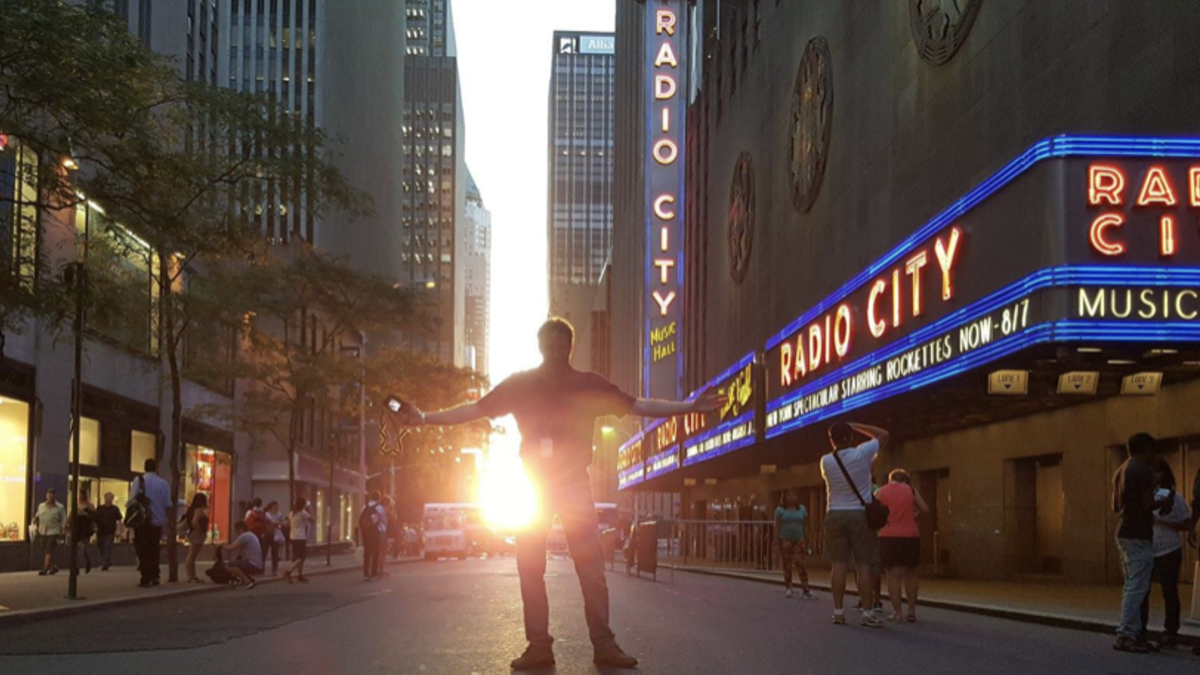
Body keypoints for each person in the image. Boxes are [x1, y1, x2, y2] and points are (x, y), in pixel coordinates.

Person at [387, 318, 722, 670]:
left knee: (590, 568)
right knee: (530, 567)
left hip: (574, 485)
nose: (555, 350)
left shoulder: (588, 385)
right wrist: (422, 417)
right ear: (540, 347)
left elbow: (638, 406)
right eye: (549, 344)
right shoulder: (520, 384)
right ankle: (539, 646)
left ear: (569, 348)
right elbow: (475, 411)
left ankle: (603, 644)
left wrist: (688, 407)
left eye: (561, 345)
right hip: (535, 486)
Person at [820, 421, 888, 628]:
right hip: (859, 515)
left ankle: (838, 611)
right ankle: (867, 613)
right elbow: (883, 434)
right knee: (863, 565)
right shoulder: (862, 453)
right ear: (851, 437)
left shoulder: (826, 460)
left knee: (838, 564)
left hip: (834, 513)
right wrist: (856, 425)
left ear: (831, 440)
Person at [1112, 433, 1170, 653]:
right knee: (1138, 587)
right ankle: (1126, 634)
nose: (1153, 456)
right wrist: (1163, 499)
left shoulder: (1120, 471)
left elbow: (1115, 506)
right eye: (1152, 451)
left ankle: (1133, 634)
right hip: (1139, 534)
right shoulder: (1142, 469)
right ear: (1146, 449)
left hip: (1123, 532)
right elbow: (1147, 505)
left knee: (1131, 585)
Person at [1139, 459, 1189, 649]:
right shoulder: (1147, 495)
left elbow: (1187, 524)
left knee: (1169, 591)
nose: (1154, 476)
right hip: (1148, 548)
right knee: (1142, 591)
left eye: (1157, 472)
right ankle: (1140, 630)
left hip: (1169, 548)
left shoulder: (1175, 498)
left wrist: (1164, 523)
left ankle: (1170, 632)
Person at [875, 469, 929, 622]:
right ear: (906, 480)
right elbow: (925, 509)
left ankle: (897, 612)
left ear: (890, 479)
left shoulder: (881, 492)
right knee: (911, 574)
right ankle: (911, 611)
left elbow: (873, 510)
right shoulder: (911, 490)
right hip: (910, 535)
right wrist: (913, 517)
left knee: (893, 575)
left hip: (888, 536)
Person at [131, 458, 172, 588]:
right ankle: (155, 575)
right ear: (156, 468)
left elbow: (132, 501)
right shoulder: (163, 483)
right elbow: (167, 503)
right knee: (154, 549)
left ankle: (146, 576)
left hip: (142, 522)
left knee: (143, 550)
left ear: (144, 467)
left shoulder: (138, 481)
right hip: (157, 522)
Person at [774, 490, 814, 600]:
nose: (791, 497)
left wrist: (809, 541)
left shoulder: (801, 509)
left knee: (800, 563)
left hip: (798, 540)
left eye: (793, 495)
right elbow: (777, 527)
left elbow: (806, 526)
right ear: (784, 497)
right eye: (789, 495)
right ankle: (788, 587)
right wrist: (776, 542)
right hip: (785, 539)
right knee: (787, 564)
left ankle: (806, 588)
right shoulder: (780, 510)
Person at [220, 520, 263, 590]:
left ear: (240, 528)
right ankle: (248, 579)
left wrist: (221, 546)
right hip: (257, 564)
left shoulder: (244, 536)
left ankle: (247, 581)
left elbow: (231, 548)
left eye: (236, 530)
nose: (236, 532)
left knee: (228, 565)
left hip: (252, 564)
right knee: (236, 562)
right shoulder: (251, 535)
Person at [32, 489, 66, 575]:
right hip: (43, 531)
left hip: (54, 531)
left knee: (49, 549)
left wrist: (63, 531)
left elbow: (63, 520)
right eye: (49, 495)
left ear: (55, 496)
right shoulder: (41, 506)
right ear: (46, 496)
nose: (50, 497)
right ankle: (53, 567)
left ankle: (45, 568)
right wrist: (35, 520)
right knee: (45, 550)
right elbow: (37, 515)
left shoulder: (60, 507)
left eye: (52, 495)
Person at [283, 498, 312, 584]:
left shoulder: (291, 513)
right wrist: (310, 508)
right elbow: (313, 519)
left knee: (297, 557)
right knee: (301, 557)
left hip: (293, 536)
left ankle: (300, 575)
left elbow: (287, 524)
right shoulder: (303, 513)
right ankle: (288, 571)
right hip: (301, 537)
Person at [183, 493, 210, 583]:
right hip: (196, 534)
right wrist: (200, 531)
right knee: (191, 555)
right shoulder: (198, 510)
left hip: (193, 533)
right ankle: (190, 576)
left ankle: (193, 576)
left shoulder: (192, 509)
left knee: (192, 556)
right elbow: (194, 522)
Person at [359, 491, 387, 580]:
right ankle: (374, 573)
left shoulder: (364, 507)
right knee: (376, 552)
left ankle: (366, 572)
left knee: (367, 552)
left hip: (366, 532)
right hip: (375, 532)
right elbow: (384, 521)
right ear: (378, 498)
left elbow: (360, 519)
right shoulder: (380, 508)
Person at [70, 492, 99, 574]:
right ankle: (76, 567)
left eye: (81, 495)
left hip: (85, 529)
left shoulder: (90, 506)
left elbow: (94, 517)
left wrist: (85, 513)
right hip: (76, 528)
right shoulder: (76, 505)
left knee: (82, 548)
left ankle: (87, 562)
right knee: (75, 549)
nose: (80, 497)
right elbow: (71, 516)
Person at [92, 492, 122, 571]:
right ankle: (107, 560)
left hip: (110, 531)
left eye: (111, 498)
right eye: (108, 497)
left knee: (107, 547)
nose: (109, 499)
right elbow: (95, 518)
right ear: (105, 498)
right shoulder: (100, 508)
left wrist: (118, 530)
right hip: (101, 531)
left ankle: (105, 563)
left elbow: (119, 520)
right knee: (100, 546)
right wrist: (94, 527)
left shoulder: (115, 509)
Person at [264, 500, 285, 576]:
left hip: (276, 535)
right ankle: (261, 569)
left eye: (277, 506)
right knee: (264, 552)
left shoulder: (280, 515)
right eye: (275, 506)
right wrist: (277, 523)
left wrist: (278, 524)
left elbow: (282, 524)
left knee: (275, 553)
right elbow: (270, 522)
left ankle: (274, 570)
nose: (277, 507)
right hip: (267, 534)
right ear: (271, 507)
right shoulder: (267, 514)